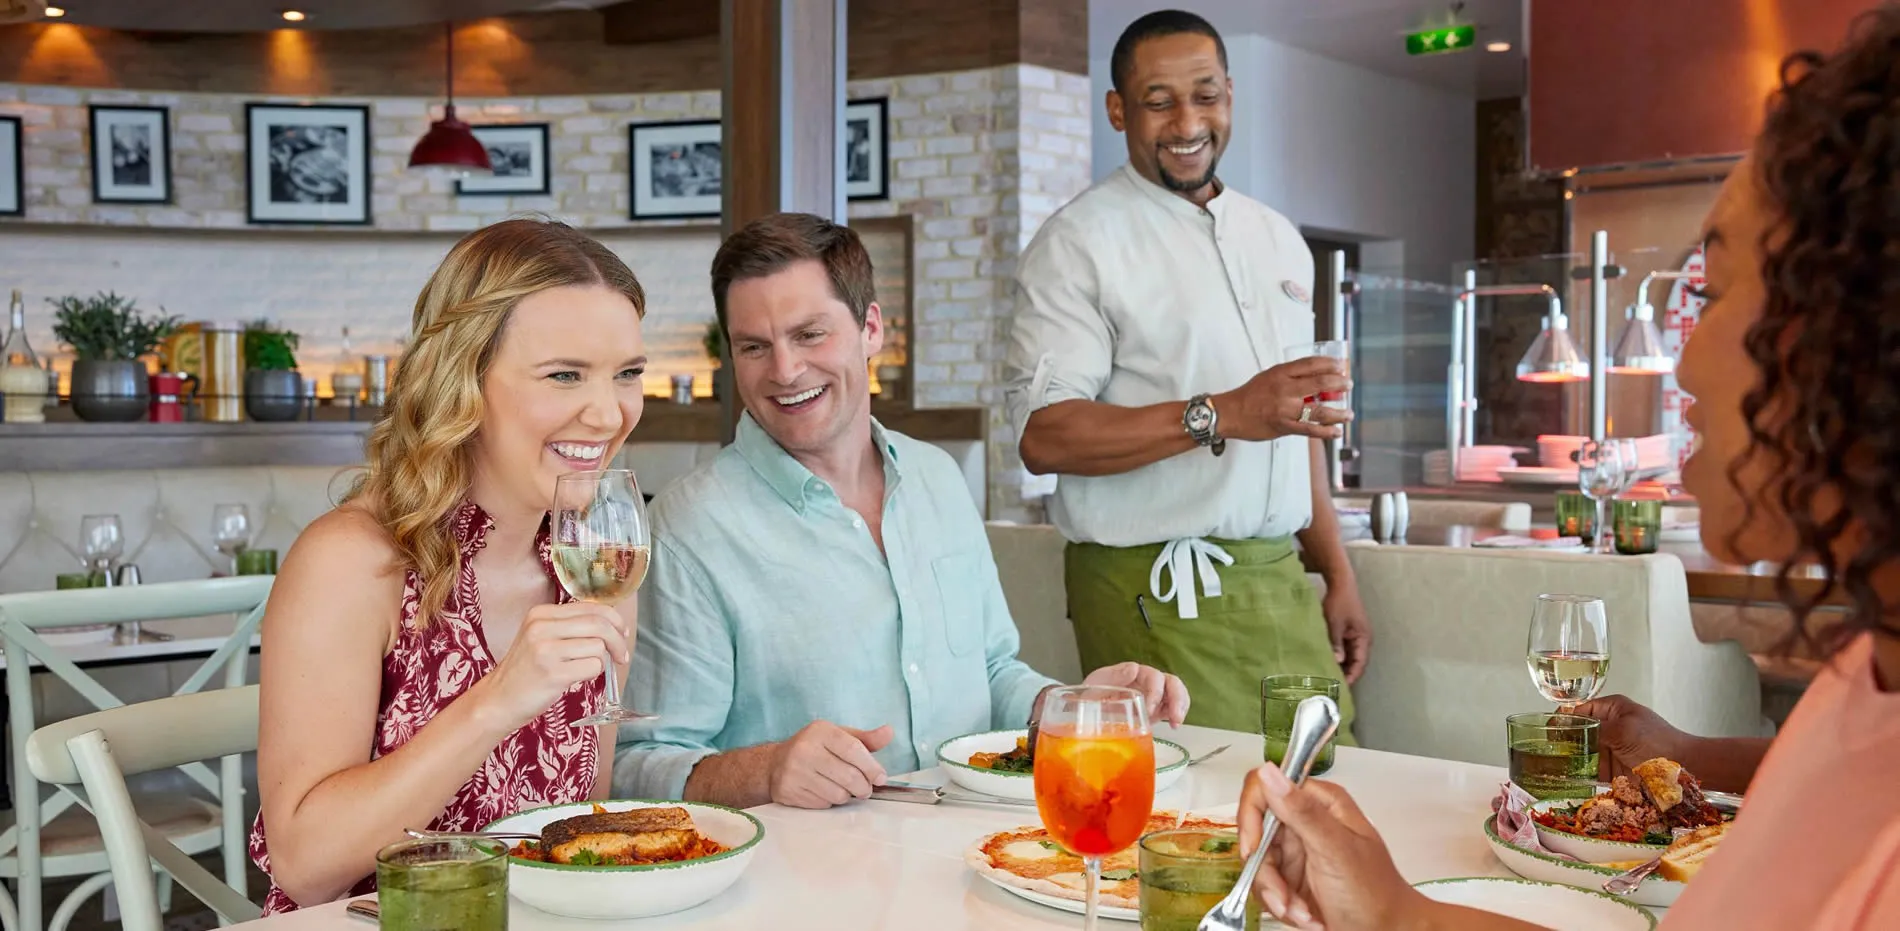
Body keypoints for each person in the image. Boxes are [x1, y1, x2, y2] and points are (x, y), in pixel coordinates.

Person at [1233, 8, 1900, 928]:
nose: (1682, 362)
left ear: (1857, 325)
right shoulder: (1867, 681)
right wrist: (1393, 909)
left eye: (1713, 290)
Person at [613, 212, 1189, 809]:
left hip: (981, 853)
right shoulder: (689, 527)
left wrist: (1070, 707)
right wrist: (768, 769)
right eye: (754, 347)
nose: (784, 371)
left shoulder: (937, 478)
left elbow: (992, 674)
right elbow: (636, 765)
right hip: (810, 884)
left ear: (870, 330)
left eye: (810, 334)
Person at [249, 219, 646, 912]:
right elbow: (306, 867)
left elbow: (576, 833)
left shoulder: (596, 569)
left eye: (629, 374)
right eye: (564, 375)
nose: (610, 413)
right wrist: (498, 699)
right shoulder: (352, 562)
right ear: (462, 379)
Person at [1003, 9, 1367, 734]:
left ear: (1230, 94)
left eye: (1205, 95)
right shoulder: (1077, 243)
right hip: (1154, 590)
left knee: (1328, 801)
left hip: (1280, 584)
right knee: (1200, 829)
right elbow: (1045, 437)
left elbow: (1297, 426)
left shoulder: (1279, 240)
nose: (1186, 121)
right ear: (1118, 110)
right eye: (1158, 100)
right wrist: (1224, 413)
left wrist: (1336, 569)